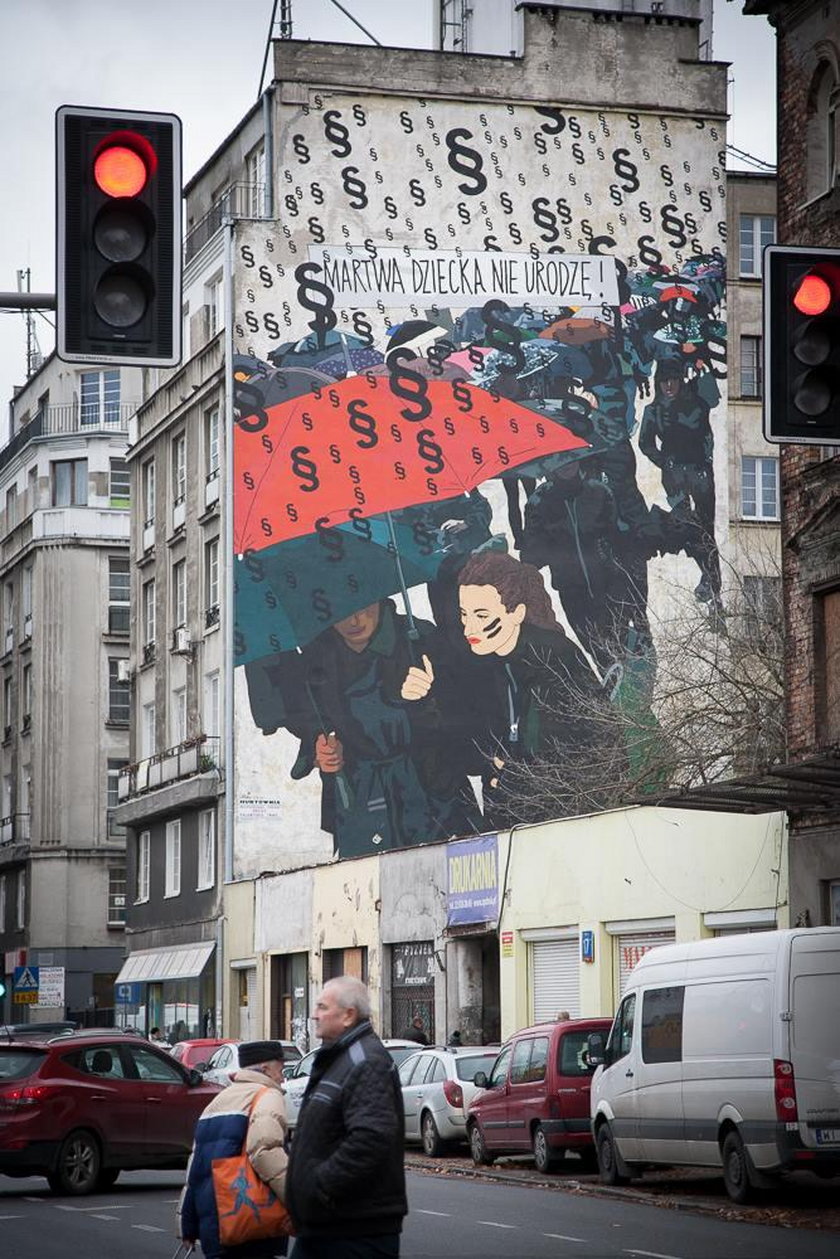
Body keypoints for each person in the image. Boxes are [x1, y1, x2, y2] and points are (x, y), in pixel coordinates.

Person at [286, 976, 407, 1258]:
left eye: (322, 1007)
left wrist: (320, 1186)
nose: (314, 1015)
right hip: (327, 1226)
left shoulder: (366, 1061)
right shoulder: (340, 1058)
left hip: (353, 1230)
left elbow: (372, 1136)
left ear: (348, 1015)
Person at [178, 1040, 290, 1259]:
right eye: (281, 1070)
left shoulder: (215, 1103)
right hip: (249, 1220)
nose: (283, 1078)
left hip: (213, 1224)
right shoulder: (266, 1095)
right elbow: (265, 1151)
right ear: (265, 1069)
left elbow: (196, 1169)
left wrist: (188, 1224)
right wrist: (296, 1198)